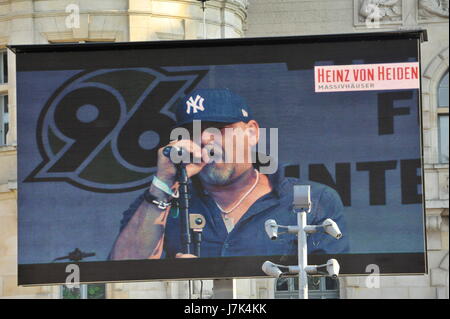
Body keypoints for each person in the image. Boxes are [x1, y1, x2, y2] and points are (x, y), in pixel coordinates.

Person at [109, 88, 349, 260]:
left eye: (220, 129)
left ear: (252, 133)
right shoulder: (160, 200)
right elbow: (121, 277)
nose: (205, 139)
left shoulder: (313, 200)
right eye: (193, 131)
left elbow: (329, 284)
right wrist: (162, 184)